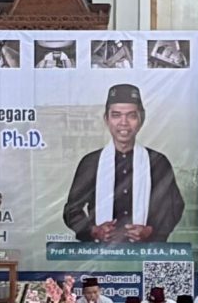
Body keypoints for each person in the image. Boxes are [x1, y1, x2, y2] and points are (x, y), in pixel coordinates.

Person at [62, 83, 183, 241]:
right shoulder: (91, 162)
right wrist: (93, 231)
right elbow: (71, 211)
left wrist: (151, 230)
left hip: (147, 253)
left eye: (131, 115)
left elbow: (174, 207)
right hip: (100, 257)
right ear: (106, 119)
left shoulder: (158, 162)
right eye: (116, 115)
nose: (123, 123)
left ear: (141, 118)